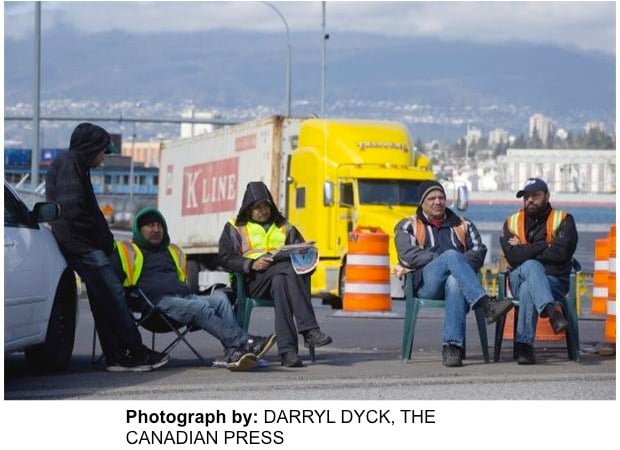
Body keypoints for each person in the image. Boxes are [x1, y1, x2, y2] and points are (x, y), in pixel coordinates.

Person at [45, 122, 168, 372]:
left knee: (102, 300)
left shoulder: (75, 164)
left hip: (83, 243)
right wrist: (100, 240)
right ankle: (135, 352)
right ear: (91, 148)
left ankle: (116, 356)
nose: (104, 157)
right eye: (103, 151)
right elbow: (74, 210)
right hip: (83, 245)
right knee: (114, 296)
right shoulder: (71, 164)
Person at [110, 207, 276, 371]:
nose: (156, 229)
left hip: (182, 299)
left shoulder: (173, 250)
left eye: (159, 225)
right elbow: (114, 286)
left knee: (220, 299)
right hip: (155, 305)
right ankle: (244, 342)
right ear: (139, 230)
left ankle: (233, 354)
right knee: (199, 307)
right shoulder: (128, 251)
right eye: (150, 226)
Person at [395, 180, 514, 367]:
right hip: (426, 284)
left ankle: (452, 348)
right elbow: (408, 255)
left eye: (441, 197)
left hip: (460, 286)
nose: (437, 201)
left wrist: (456, 266)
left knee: (455, 281)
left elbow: (478, 252)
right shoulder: (408, 225)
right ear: (422, 203)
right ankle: (486, 305)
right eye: (432, 198)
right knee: (451, 256)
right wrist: (445, 260)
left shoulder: (463, 225)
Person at [218, 181, 332, 368]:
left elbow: (302, 255)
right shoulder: (234, 226)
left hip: (279, 281)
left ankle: (288, 353)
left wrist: (308, 257)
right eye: (257, 207)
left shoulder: (286, 227)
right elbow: (224, 258)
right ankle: (310, 330)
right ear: (248, 210)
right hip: (250, 282)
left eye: (266, 206)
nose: (263, 210)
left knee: (281, 281)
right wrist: (251, 264)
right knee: (287, 269)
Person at [499, 178, 578, 364]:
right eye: (526, 197)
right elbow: (512, 257)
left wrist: (525, 250)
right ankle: (551, 312)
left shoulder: (564, 220)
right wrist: (543, 246)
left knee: (529, 287)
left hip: (555, 281)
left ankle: (525, 348)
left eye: (535, 196)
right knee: (531, 269)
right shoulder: (512, 221)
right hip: (517, 279)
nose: (530, 200)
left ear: (547, 196)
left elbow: (561, 254)